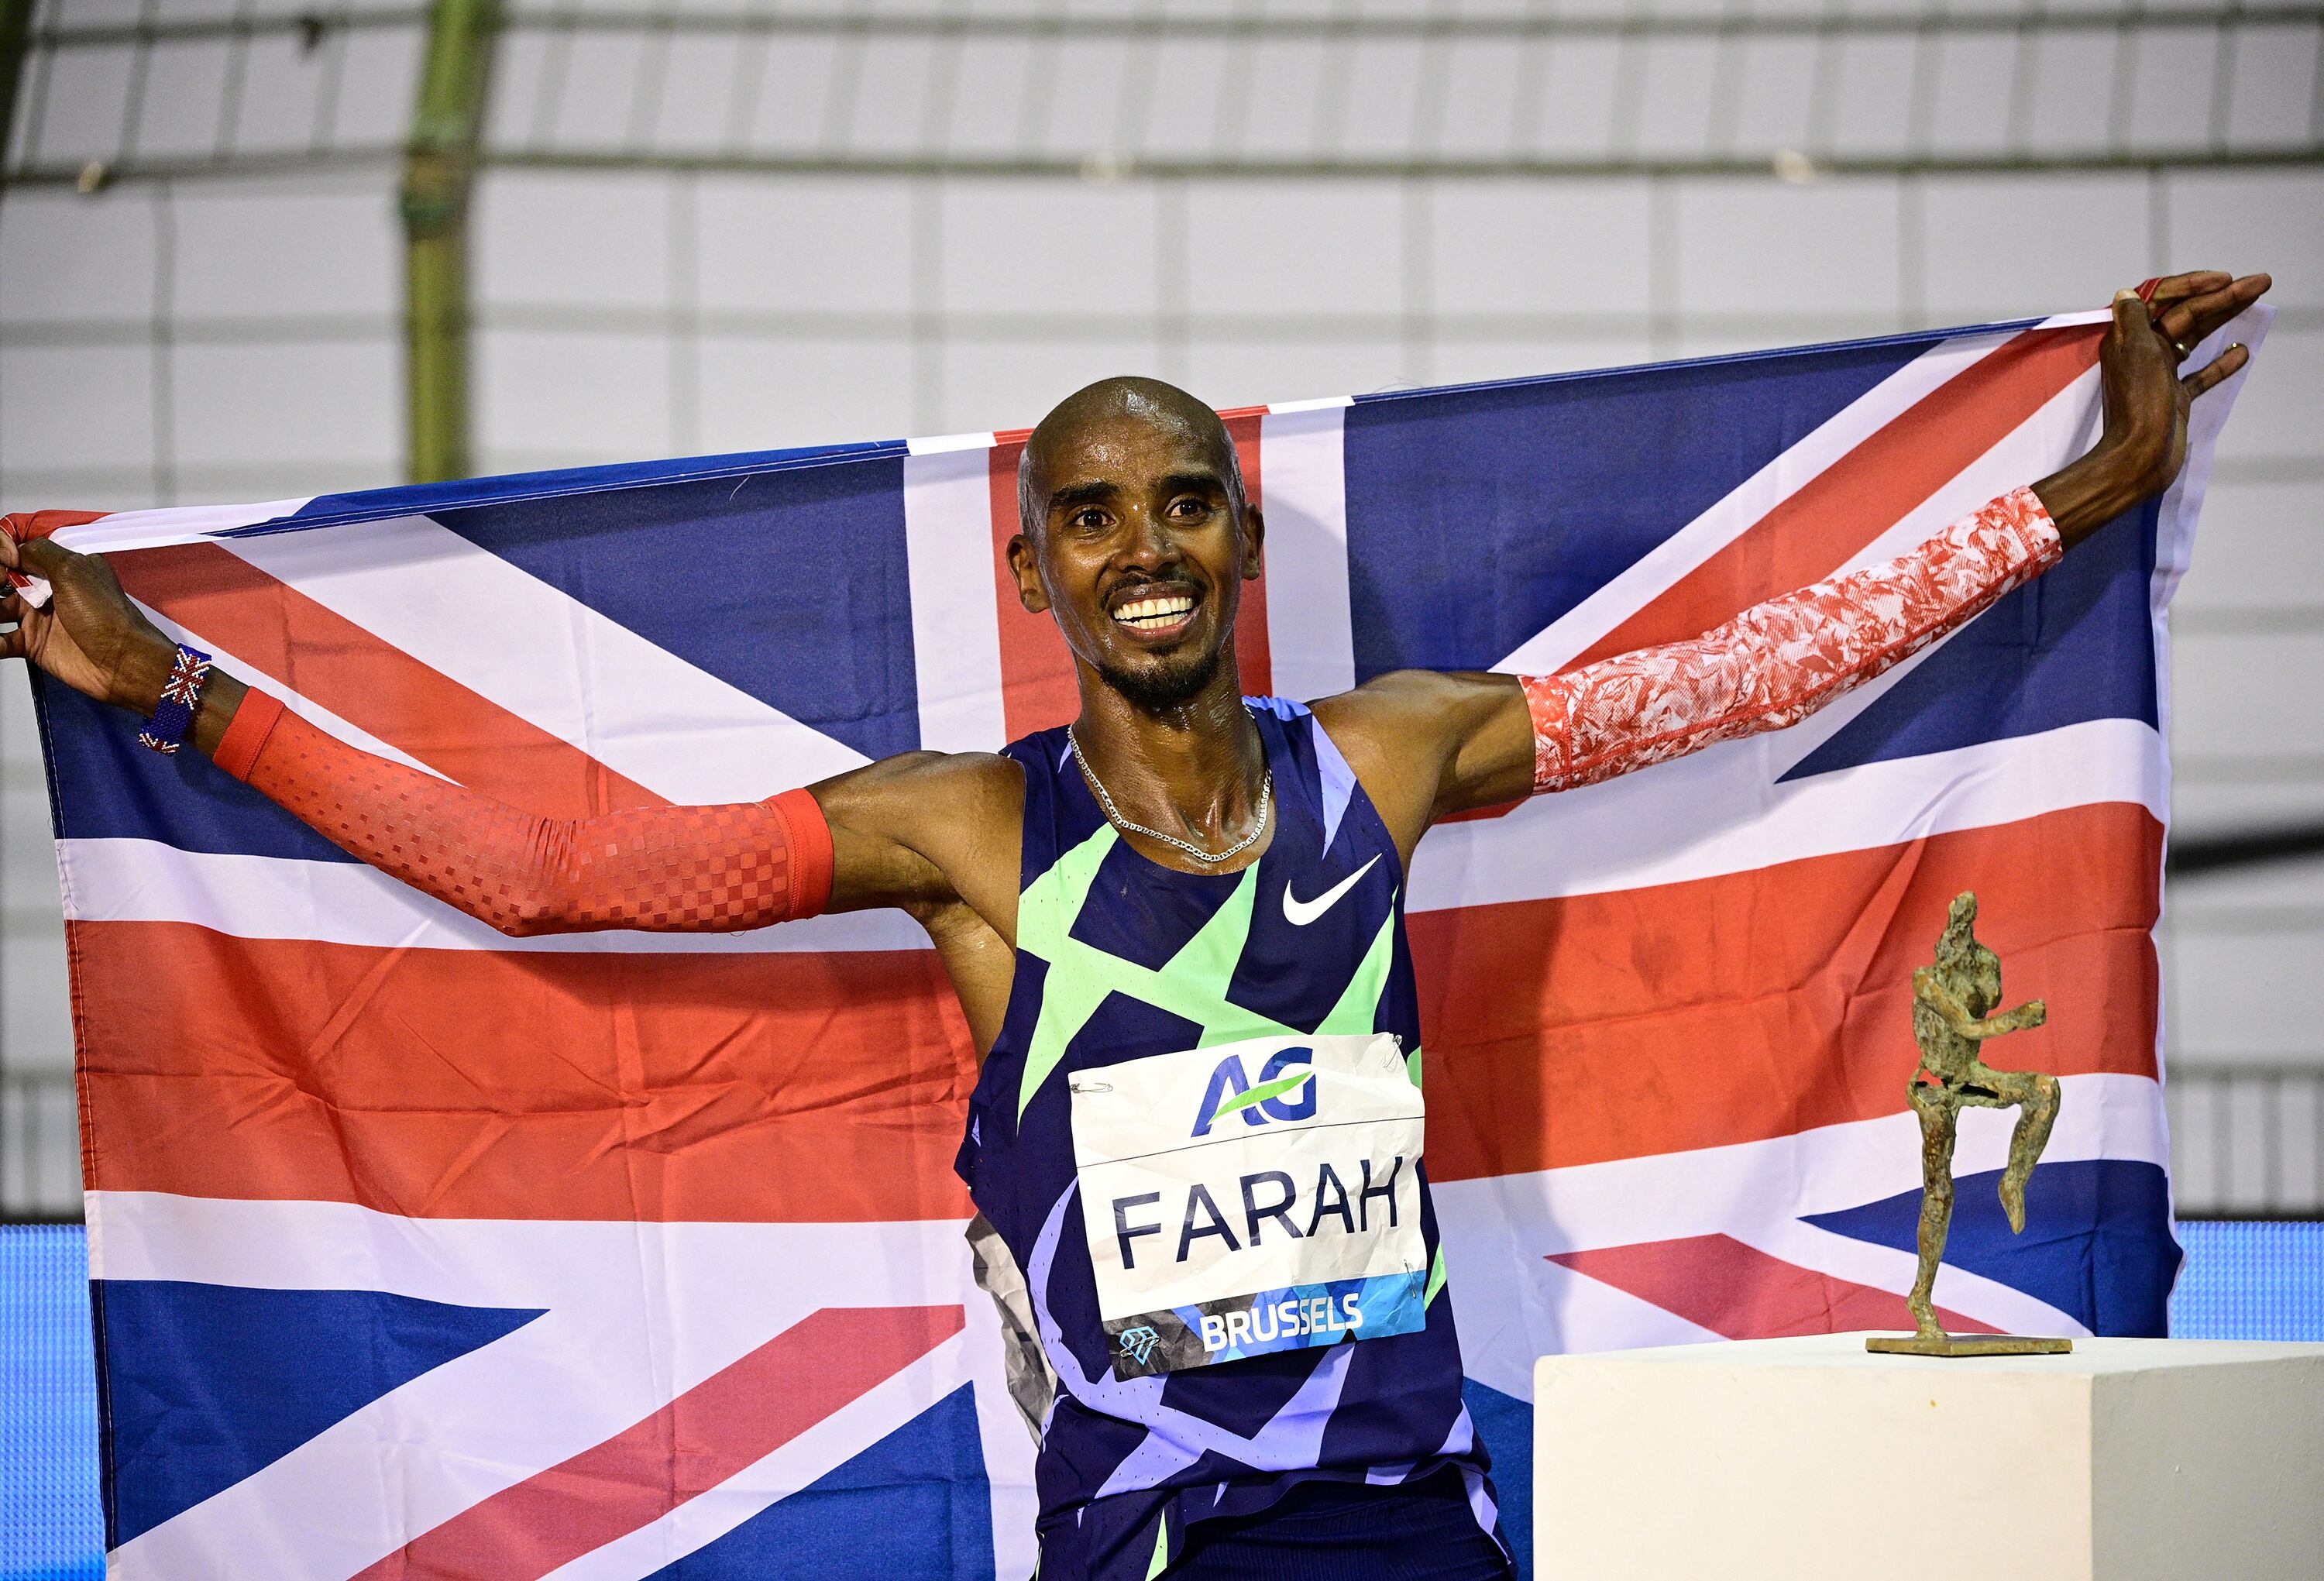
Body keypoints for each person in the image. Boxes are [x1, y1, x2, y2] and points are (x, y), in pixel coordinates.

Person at [0, 272, 2269, 1579]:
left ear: (1232, 537)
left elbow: (1755, 665)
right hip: (1150, 1545)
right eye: (1094, 516)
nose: (1148, 544)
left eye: (1184, 499)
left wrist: (2075, 494)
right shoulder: (964, 836)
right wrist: (184, 689)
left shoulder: (1380, 761)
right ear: (1036, 570)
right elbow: (553, 873)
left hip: (1416, 1518)